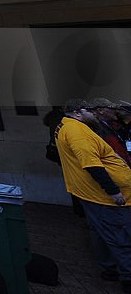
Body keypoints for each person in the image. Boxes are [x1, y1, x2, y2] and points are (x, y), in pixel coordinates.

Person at [55, 99, 131, 290]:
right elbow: (92, 165)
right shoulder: (77, 132)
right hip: (104, 197)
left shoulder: (69, 125)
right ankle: (128, 277)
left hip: (92, 195)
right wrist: (113, 192)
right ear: (78, 113)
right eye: (91, 111)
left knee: (102, 232)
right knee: (121, 238)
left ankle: (109, 269)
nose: (96, 113)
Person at [87, 98, 131, 166]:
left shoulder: (112, 123)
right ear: (101, 111)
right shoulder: (95, 128)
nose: (115, 111)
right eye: (111, 108)